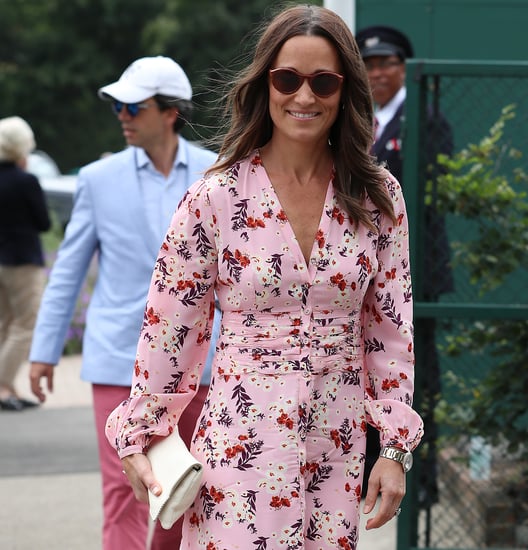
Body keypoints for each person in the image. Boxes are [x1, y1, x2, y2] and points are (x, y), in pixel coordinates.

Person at [106, 6, 424, 549]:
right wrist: (142, 434)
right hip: (240, 443)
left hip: (337, 444)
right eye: (288, 79)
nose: (305, 96)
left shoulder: (378, 198)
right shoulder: (216, 196)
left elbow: (390, 335)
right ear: (265, 84)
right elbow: (170, 327)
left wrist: (392, 450)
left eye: (323, 81)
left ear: (345, 90)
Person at [28, 56, 219, 550]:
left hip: (199, 363)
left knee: (186, 489)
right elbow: (68, 269)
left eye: (133, 105)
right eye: (117, 105)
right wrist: (44, 351)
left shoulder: (219, 172)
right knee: (124, 489)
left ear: (170, 111)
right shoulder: (97, 178)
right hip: (118, 360)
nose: (121, 115)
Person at [355, 25, 454, 506]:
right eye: (368, 65)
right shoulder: (352, 126)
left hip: (415, 278)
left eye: (387, 64)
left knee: (415, 378)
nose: (377, 74)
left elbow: (424, 196)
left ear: (405, 69)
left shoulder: (425, 121)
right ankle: (363, 474)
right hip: (360, 278)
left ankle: (421, 483)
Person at [0, 116, 51, 411]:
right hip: (22, 260)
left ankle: (8, 387)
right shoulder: (26, 181)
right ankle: (3, 385)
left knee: (4, 324)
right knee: (25, 325)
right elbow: (43, 223)